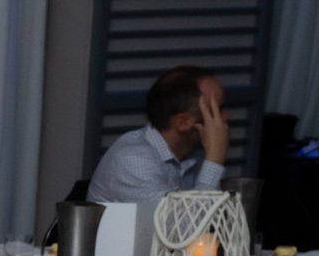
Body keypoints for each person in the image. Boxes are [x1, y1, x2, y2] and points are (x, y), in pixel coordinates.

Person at [87, 66, 228, 206]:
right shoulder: (134, 159)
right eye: (217, 110)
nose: (226, 117)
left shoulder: (195, 154)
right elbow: (180, 226)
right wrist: (214, 159)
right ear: (182, 123)